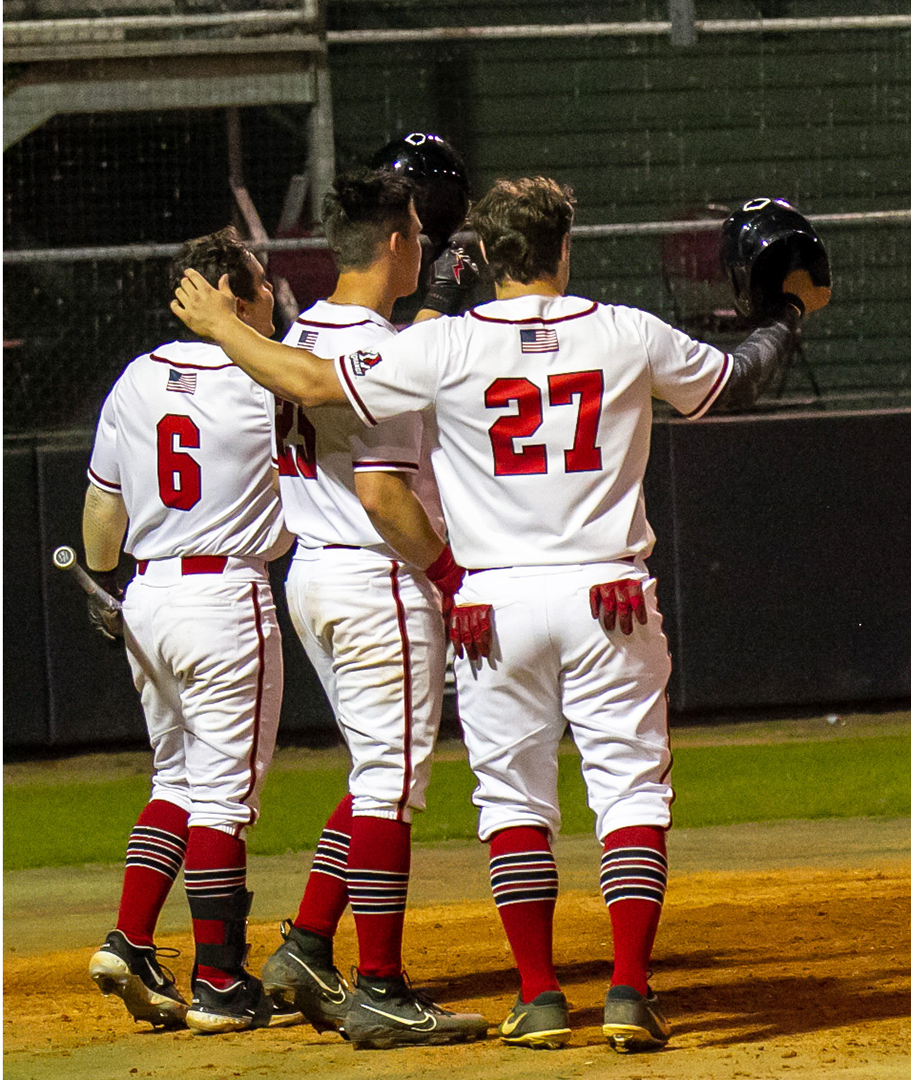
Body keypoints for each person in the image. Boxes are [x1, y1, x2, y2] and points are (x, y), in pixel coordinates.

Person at [169, 176, 828, 1052]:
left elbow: (312, 381)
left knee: (512, 799)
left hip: (491, 603)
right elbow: (738, 380)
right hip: (609, 596)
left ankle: (540, 995)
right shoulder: (626, 330)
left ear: (486, 256)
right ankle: (629, 991)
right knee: (628, 790)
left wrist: (224, 330)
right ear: (563, 247)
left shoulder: (443, 347)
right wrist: (787, 312)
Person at [251, 168, 488, 1047]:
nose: (421, 246)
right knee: (392, 783)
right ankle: (381, 986)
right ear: (396, 244)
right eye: (416, 234)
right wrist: (451, 574)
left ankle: (309, 946)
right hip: (376, 571)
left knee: (372, 774)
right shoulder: (377, 350)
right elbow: (388, 495)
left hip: (313, 570)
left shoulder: (301, 337)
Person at [82, 228, 291, 1032]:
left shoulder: (135, 381)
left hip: (147, 596)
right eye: (262, 284)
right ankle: (221, 980)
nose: (273, 295)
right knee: (225, 802)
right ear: (233, 299)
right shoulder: (266, 380)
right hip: (227, 597)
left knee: (177, 781)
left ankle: (131, 939)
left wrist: (110, 581)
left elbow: (102, 530)